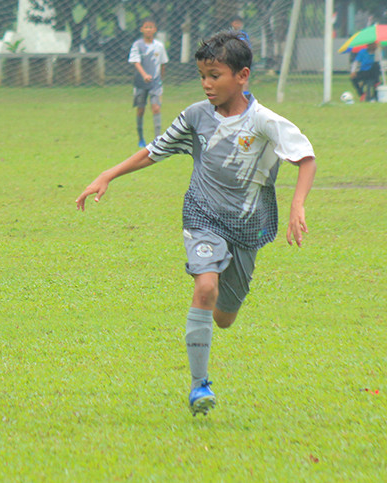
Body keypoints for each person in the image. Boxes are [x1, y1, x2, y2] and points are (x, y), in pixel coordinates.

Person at [76, 31, 316, 417]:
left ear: (242, 76)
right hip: (202, 216)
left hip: (247, 227)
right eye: (203, 75)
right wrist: (108, 174)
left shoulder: (265, 121)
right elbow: (154, 151)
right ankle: (199, 386)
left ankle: (220, 313)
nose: (206, 84)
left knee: (224, 317)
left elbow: (306, 157)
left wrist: (297, 205)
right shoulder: (195, 116)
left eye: (215, 75)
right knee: (205, 286)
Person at [128, 17, 168, 147]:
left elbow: (163, 64)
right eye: (146, 27)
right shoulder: (137, 45)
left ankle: (157, 140)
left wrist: (161, 80)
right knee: (140, 110)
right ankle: (141, 137)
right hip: (140, 83)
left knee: (156, 108)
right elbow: (136, 62)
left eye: (151, 27)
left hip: (155, 83)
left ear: (155, 30)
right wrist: (144, 75)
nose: (149, 30)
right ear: (142, 29)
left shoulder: (159, 46)